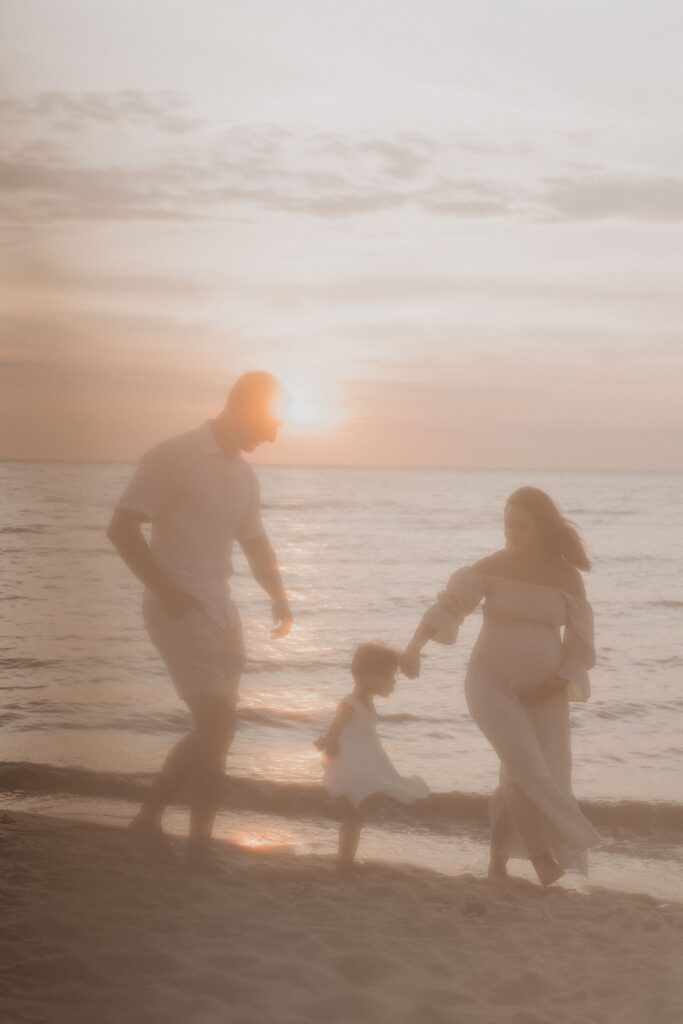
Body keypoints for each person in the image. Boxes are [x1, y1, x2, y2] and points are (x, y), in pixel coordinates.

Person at [106, 371, 293, 868]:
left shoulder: (243, 475)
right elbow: (122, 527)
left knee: (221, 733)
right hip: (178, 610)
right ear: (242, 407)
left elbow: (254, 542)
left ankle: (199, 845)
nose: (271, 436)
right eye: (268, 422)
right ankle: (148, 819)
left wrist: (278, 595)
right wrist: (170, 594)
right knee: (217, 723)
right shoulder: (176, 454)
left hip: (222, 611)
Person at [401, 487, 600, 887]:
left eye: (521, 525)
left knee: (526, 772)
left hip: (546, 690)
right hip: (488, 683)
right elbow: (449, 605)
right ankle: (556, 851)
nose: (511, 532)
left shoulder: (567, 578)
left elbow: (580, 645)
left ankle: (497, 860)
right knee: (526, 764)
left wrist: (555, 684)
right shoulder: (491, 567)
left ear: (542, 528)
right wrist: (413, 649)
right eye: (507, 524)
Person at [316, 642, 429, 876]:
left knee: (356, 815)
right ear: (367, 676)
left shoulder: (366, 701)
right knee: (353, 814)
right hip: (350, 768)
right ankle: (344, 863)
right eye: (388, 677)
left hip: (362, 763)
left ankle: (346, 861)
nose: (393, 681)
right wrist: (329, 746)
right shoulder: (351, 704)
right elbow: (335, 730)